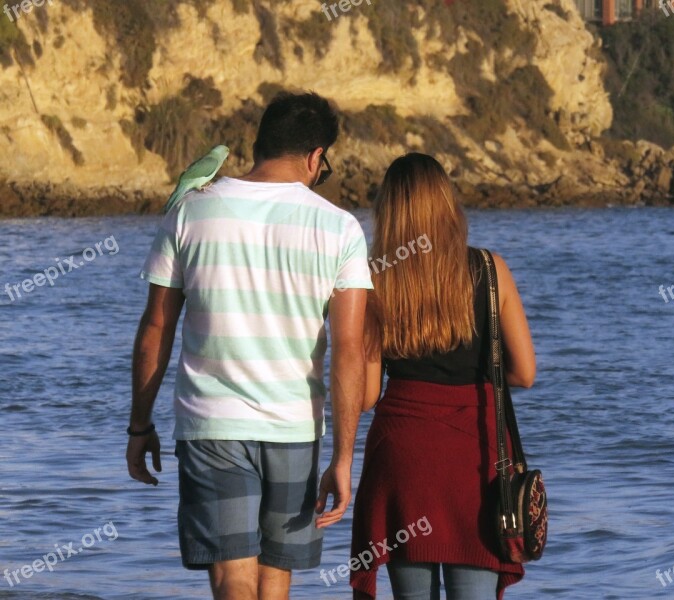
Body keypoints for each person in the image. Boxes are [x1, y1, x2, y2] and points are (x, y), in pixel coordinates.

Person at [126, 92, 373, 600]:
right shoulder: (340, 227)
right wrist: (345, 458)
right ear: (314, 156)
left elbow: (156, 327)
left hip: (212, 424)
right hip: (295, 427)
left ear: (259, 145)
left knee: (233, 579)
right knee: (273, 579)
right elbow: (351, 350)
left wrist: (140, 424)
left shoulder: (191, 211)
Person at [349, 153, 536, 600]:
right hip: (474, 455)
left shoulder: (376, 279)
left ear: (388, 212)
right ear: (448, 204)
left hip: (403, 456)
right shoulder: (491, 271)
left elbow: (369, 393)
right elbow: (524, 373)